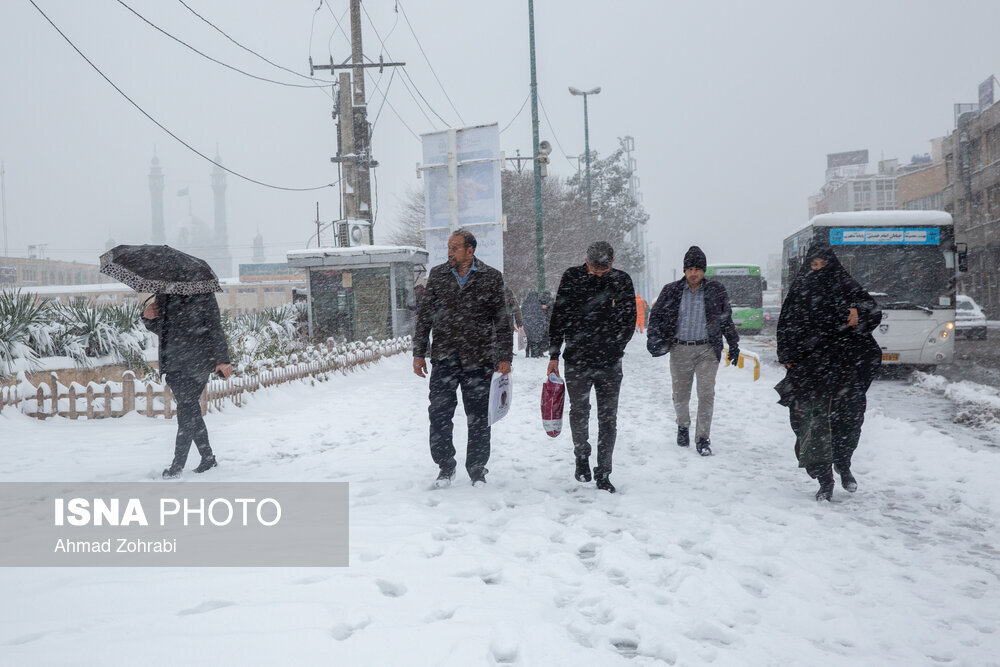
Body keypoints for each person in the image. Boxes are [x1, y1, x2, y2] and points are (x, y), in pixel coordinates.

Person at [776, 245, 882, 501]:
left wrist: (860, 315)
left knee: (849, 420)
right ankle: (825, 479)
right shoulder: (801, 289)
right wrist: (788, 355)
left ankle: (843, 464)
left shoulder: (846, 286)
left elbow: (874, 312)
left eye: (823, 263)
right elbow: (786, 323)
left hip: (845, 367)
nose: (818, 268)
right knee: (812, 425)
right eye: (814, 264)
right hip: (811, 370)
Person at [413, 229, 513, 487]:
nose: (449, 253)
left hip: (479, 359)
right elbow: (424, 317)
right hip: (444, 357)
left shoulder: (491, 277)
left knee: (479, 416)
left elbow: (502, 321)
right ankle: (445, 466)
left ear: (470, 251)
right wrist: (418, 352)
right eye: (448, 247)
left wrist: (505, 357)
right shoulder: (437, 275)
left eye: (455, 248)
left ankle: (477, 468)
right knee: (439, 413)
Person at [547, 241, 636, 493]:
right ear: (586, 261)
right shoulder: (571, 277)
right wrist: (554, 354)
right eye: (595, 268)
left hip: (609, 361)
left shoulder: (621, 281)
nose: (598, 273)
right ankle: (581, 455)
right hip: (577, 359)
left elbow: (629, 319)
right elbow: (559, 316)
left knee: (608, 417)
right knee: (579, 410)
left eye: (604, 269)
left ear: (612, 263)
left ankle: (604, 470)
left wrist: (616, 347)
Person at [647, 246, 739, 456]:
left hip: (707, 349)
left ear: (704, 270)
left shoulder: (716, 290)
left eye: (698, 268)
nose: (694, 273)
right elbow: (656, 316)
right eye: (690, 269)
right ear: (684, 270)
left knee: (706, 394)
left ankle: (703, 438)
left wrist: (733, 344)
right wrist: (653, 336)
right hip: (679, 349)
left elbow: (726, 319)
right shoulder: (671, 290)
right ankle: (683, 425)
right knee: (681, 395)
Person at [142, 293, 232, 478]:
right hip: (173, 364)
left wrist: (222, 359)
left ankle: (177, 465)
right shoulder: (164, 293)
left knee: (186, 408)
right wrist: (147, 317)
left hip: (198, 362)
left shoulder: (203, 294)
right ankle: (208, 457)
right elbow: (163, 328)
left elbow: (214, 326)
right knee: (191, 411)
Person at [520, 290, 548, 358]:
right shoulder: (538, 304)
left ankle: (527, 353)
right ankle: (534, 353)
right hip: (536, 324)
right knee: (535, 339)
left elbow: (522, 313)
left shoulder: (525, 303)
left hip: (527, 324)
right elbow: (541, 315)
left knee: (528, 339)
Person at [504, 286, 525, 355]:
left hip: (493, 322)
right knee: (508, 338)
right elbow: (516, 308)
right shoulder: (507, 291)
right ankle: (507, 353)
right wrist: (519, 322)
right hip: (506, 320)